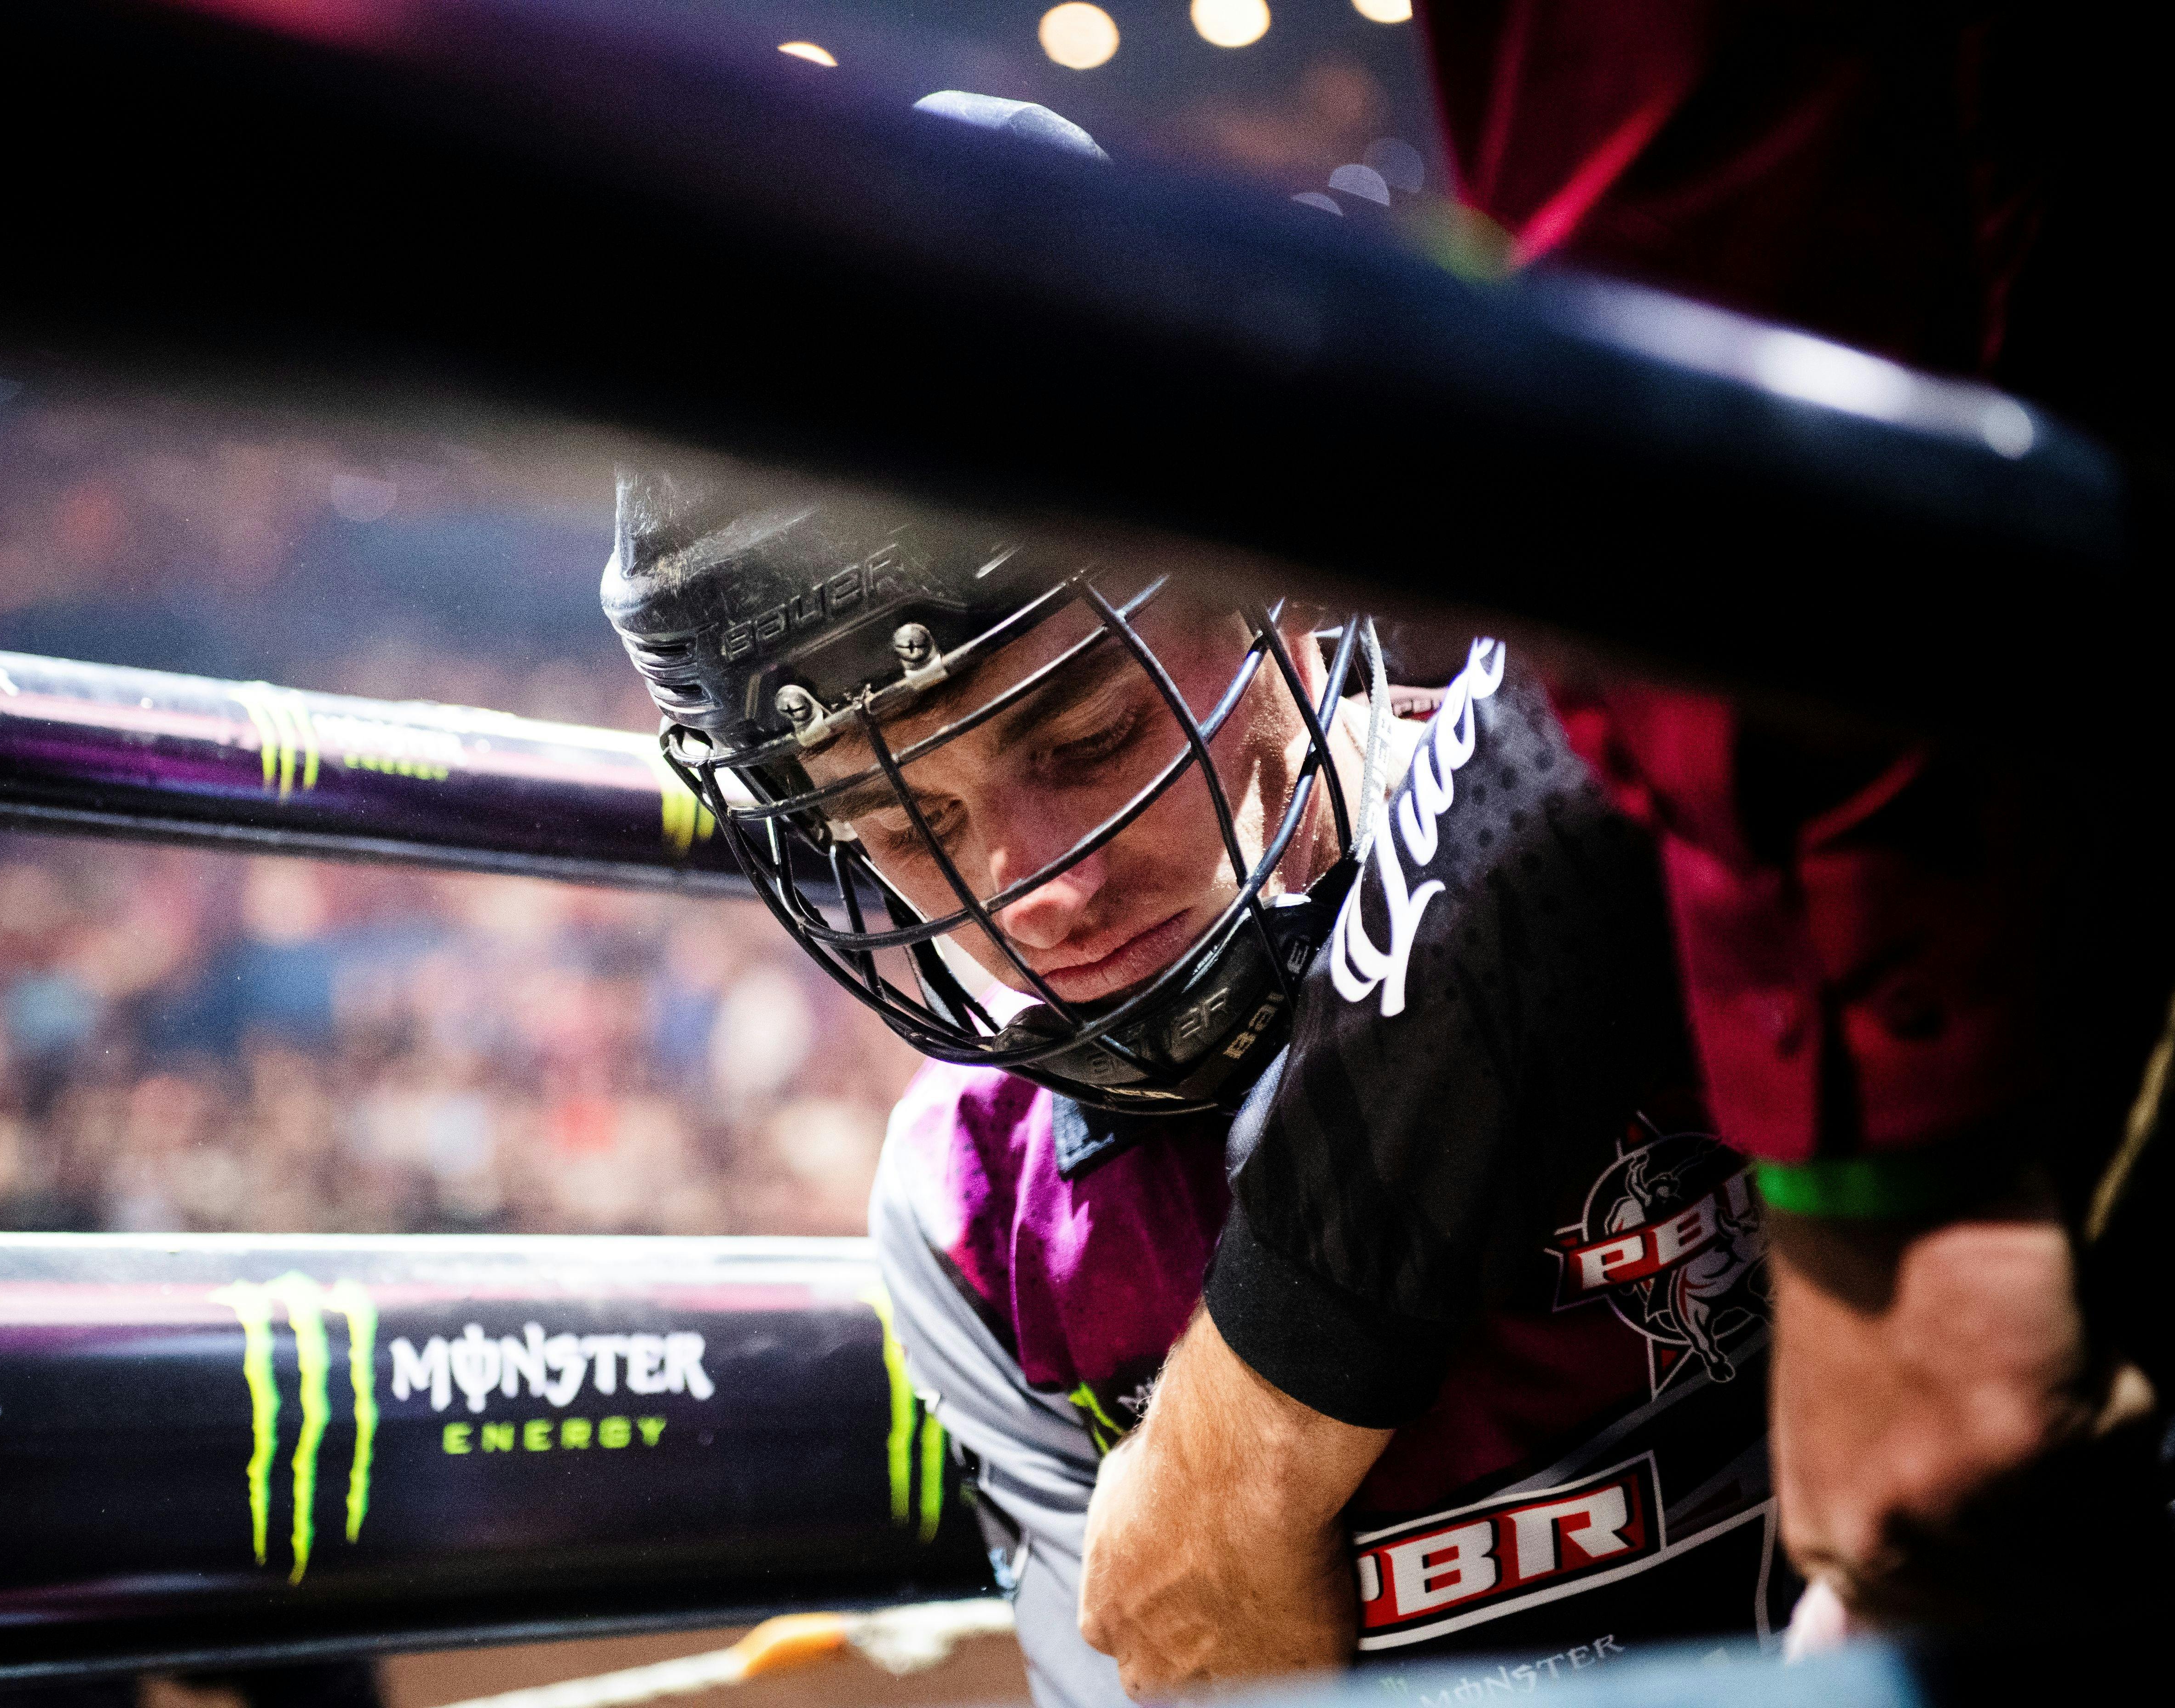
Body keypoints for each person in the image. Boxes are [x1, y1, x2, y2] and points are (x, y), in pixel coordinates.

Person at [1073, 5, 2175, 1681]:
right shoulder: (963, 1203)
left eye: (1086, 739)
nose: (1058, 875)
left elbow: (1707, 452)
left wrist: (1895, 1185)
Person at [602, 467, 1793, 1706]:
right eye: (902, 825)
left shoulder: (1657, 836)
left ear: (1276, 598)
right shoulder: (965, 1201)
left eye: (1091, 740)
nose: (1030, 893)